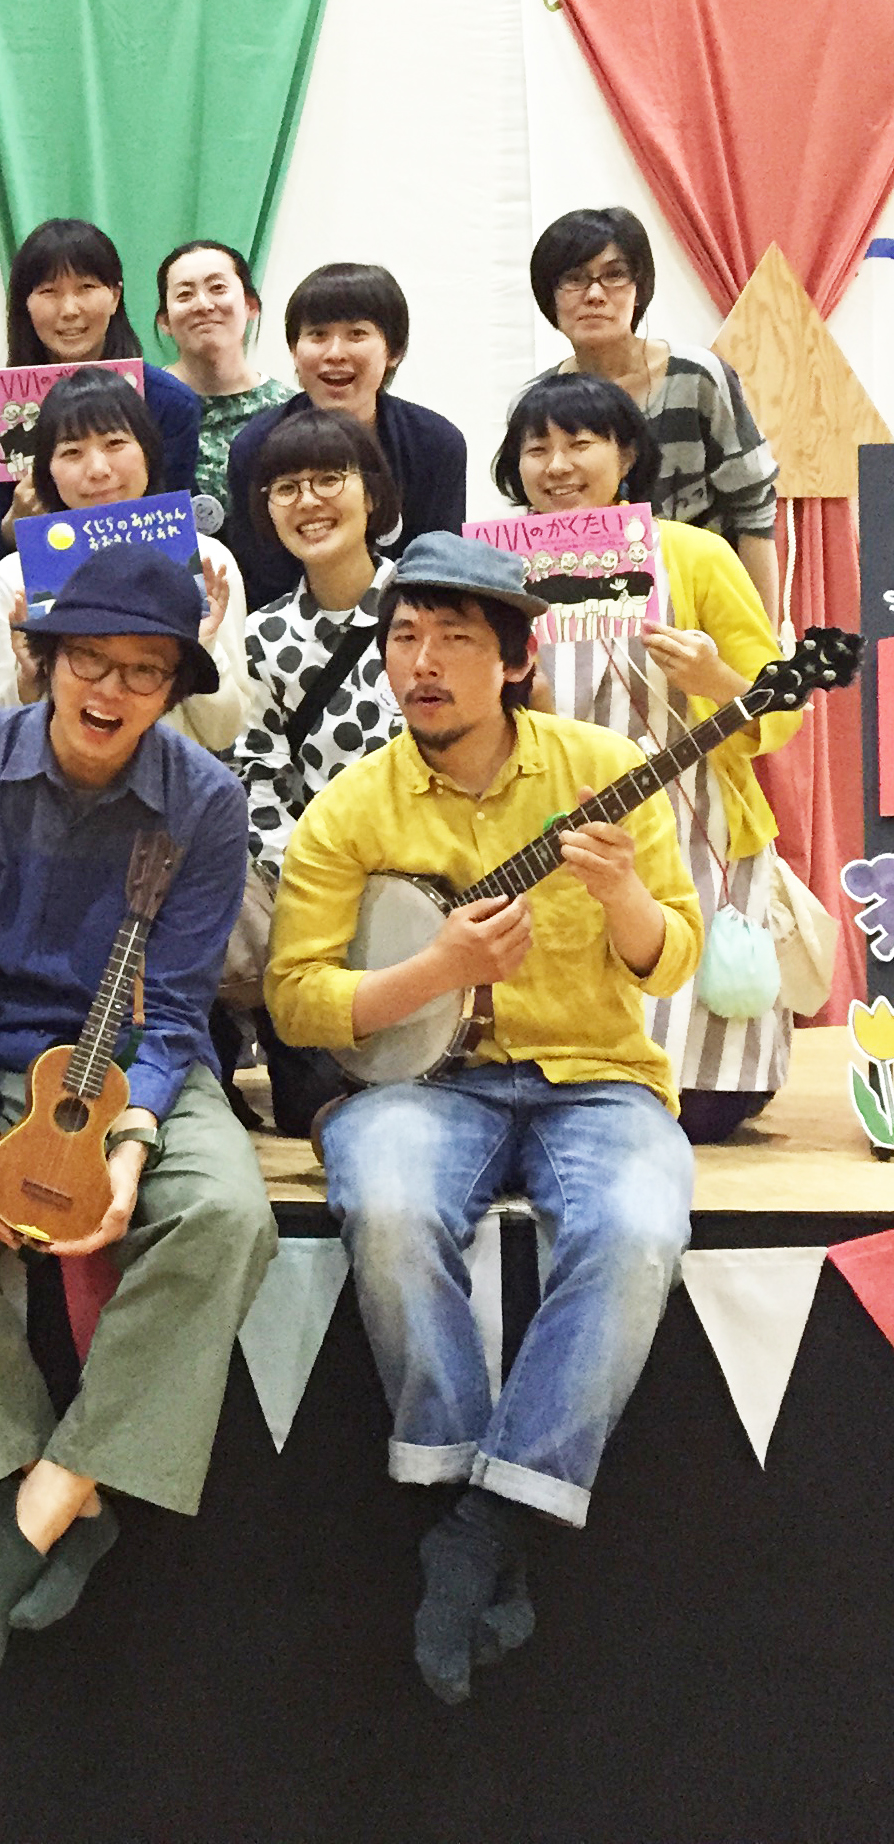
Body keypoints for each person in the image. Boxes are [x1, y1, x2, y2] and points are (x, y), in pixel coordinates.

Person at [264, 532, 703, 1706]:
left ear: (512, 662)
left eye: (453, 639)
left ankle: (478, 1523)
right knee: (388, 1208)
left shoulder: (603, 767)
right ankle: (471, 1493)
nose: (420, 662)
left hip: (594, 1075)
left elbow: (673, 961)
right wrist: (433, 972)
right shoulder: (349, 809)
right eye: (403, 636)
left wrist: (621, 895)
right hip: (423, 1086)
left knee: (634, 1228)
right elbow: (295, 998)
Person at [0, 543, 275, 1687]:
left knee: (227, 1215)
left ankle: (54, 1487)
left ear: (172, 686)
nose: (110, 689)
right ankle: (22, 1480)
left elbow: (173, 1009)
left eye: (144, 670)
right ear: (43, 658)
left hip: (136, 1064)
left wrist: (132, 1145)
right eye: (89, 658)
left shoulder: (204, 803)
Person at [493, 372, 800, 1141]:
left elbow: (783, 705)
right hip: (546, 824)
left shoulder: (694, 554)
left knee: (705, 1102)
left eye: (579, 444)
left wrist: (714, 680)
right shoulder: (495, 569)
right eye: (536, 449)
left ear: (626, 455)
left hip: (692, 819)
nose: (556, 466)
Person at [229, 409, 405, 1137]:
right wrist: (314, 887)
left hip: (437, 890)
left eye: (330, 479)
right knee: (312, 1113)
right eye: (286, 487)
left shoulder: (425, 608)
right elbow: (259, 776)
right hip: (313, 904)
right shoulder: (261, 636)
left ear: (372, 493)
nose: (308, 501)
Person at [0, 368, 251, 756]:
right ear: (46, 471)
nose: (98, 469)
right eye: (71, 452)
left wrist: (203, 645)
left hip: (172, 786)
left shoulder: (206, 561)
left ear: (149, 451)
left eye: (115, 443)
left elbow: (224, 733)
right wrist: (29, 679)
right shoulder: (17, 574)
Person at [526, 206, 779, 617]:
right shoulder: (538, 402)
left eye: (614, 275)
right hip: (588, 619)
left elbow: (754, 511)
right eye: (573, 278)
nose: (594, 294)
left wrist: (760, 642)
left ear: (639, 288)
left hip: (702, 608)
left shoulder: (697, 377)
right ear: (548, 295)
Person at [0, 218, 202, 627]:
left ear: (115, 295)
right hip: (21, 603)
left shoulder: (169, 403)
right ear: (24, 304)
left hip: (142, 600)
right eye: (49, 292)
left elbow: (175, 530)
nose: (69, 310)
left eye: (87, 287)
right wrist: (14, 526)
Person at [222, 262, 467, 610]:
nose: (335, 353)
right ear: (294, 350)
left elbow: (440, 571)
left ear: (394, 351)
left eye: (356, 334)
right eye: (318, 334)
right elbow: (261, 577)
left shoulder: (436, 444)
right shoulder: (255, 447)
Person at [155, 238, 295, 521]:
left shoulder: (290, 411)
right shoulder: (140, 403)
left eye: (217, 288)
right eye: (184, 295)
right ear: (165, 321)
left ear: (251, 305)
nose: (203, 304)